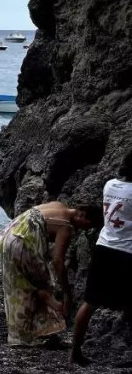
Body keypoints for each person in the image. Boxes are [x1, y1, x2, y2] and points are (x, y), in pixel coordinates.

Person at [0, 200, 100, 348]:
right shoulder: (66, 227)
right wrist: (67, 294)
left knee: (20, 284)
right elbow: (58, 261)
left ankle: (31, 330)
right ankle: (32, 334)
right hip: (22, 243)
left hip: (7, 236)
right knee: (44, 283)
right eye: (87, 225)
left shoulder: (58, 205)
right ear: (81, 215)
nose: (84, 230)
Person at [70, 150, 132, 365]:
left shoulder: (109, 185)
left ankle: (75, 351)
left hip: (103, 246)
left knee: (89, 302)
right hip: (126, 251)